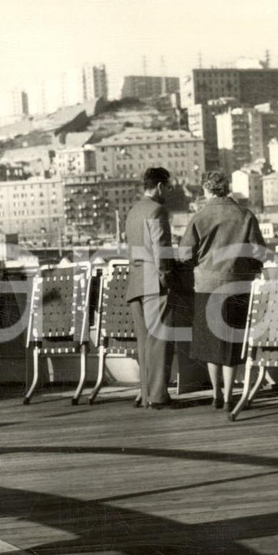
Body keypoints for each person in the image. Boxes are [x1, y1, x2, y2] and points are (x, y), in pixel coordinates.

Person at [179, 170, 267, 411]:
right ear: (227, 188)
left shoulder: (200, 216)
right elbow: (259, 252)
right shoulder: (245, 214)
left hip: (206, 285)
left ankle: (216, 394)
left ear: (206, 190)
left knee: (210, 342)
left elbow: (185, 254)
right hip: (238, 284)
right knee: (231, 342)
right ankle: (229, 397)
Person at [124, 167, 176, 409]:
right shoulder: (158, 210)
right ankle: (158, 397)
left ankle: (146, 395)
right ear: (159, 186)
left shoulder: (133, 211)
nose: (169, 191)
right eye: (168, 186)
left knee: (144, 343)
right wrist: (167, 279)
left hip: (135, 282)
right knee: (159, 342)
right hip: (153, 283)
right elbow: (161, 250)